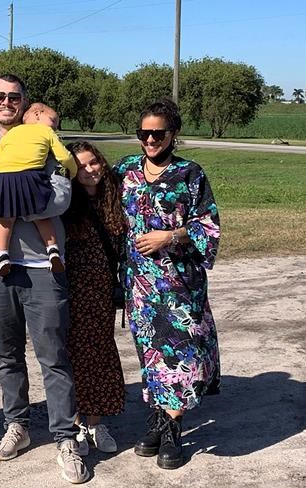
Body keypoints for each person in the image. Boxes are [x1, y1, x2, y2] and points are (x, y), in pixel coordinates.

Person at [0, 74, 88, 484]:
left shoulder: (43, 139)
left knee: (53, 355)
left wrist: (11, 201)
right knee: (7, 355)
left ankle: (66, 438)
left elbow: (62, 196)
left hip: (43, 267)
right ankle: (17, 425)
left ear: (24, 103)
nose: (6, 102)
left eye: (13, 96)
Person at [113, 98, 221, 470]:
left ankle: (173, 428)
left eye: (158, 134)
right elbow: (94, 193)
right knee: (152, 355)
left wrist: (170, 237)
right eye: (143, 133)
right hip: (139, 284)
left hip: (179, 284)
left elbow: (208, 226)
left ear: (173, 134)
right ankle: (160, 419)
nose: (150, 140)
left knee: (181, 355)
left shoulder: (190, 174)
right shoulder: (125, 170)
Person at [63, 141, 127, 456]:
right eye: (81, 167)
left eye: (93, 163)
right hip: (72, 290)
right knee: (74, 355)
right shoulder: (66, 202)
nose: (89, 170)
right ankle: (76, 423)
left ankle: (95, 422)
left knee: (100, 352)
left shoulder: (114, 196)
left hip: (102, 291)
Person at [0, 102, 77, 276]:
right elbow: (64, 156)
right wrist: (72, 171)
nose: (55, 126)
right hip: (32, 177)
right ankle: (52, 250)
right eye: (53, 120)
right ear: (37, 114)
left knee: (4, 220)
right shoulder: (46, 132)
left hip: (5, 179)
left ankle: (2, 256)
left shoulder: (11, 134)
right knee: (41, 216)